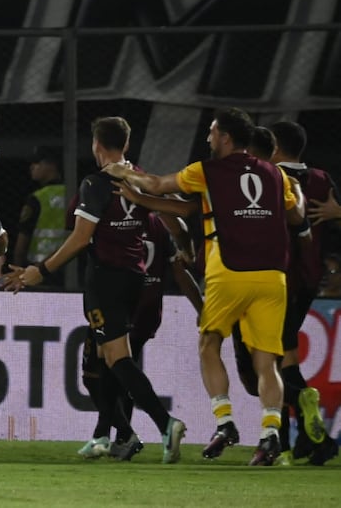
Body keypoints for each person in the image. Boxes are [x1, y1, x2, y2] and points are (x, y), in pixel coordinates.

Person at [104, 107, 307, 466]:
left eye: (212, 132)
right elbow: (296, 216)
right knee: (266, 361)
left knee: (209, 343)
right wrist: (297, 192)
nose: (208, 138)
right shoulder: (275, 174)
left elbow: (156, 184)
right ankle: (271, 433)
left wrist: (124, 172)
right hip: (273, 276)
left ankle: (225, 422)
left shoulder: (207, 170)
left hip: (228, 270)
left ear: (226, 137)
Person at [4, 116, 187, 464]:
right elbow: (174, 217)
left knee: (117, 359)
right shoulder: (142, 178)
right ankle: (107, 434)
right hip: (136, 277)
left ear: (96, 146)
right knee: (106, 359)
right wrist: (185, 246)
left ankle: (165, 424)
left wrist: (40, 271)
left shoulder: (95, 183)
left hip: (105, 280)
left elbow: (80, 239)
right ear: (127, 144)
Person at [237, 121, 340, 465]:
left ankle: (294, 413)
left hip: (274, 281)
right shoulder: (322, 179)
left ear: (275, 147)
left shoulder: (267, 178)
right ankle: (311, 442)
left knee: (263, 365)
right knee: (286, 355)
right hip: (308, 281)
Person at [78, 210, 203, 460]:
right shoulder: (155, 222)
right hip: (146, 311)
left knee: (97, 374)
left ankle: (142, 428)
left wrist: (43, 269)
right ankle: (112, 436)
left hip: (115, 304)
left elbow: (78, 237)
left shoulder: (106, 214)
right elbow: (178, 269)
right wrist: (201, 308)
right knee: (119, 372)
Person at [12, 146, 67, 287]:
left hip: (37, 271)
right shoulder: (74, 194)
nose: (32, 167)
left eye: (37, 163)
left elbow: (22, 241)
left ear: (51, 165)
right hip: (67, 268)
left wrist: (18, 273)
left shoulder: (37, 198)